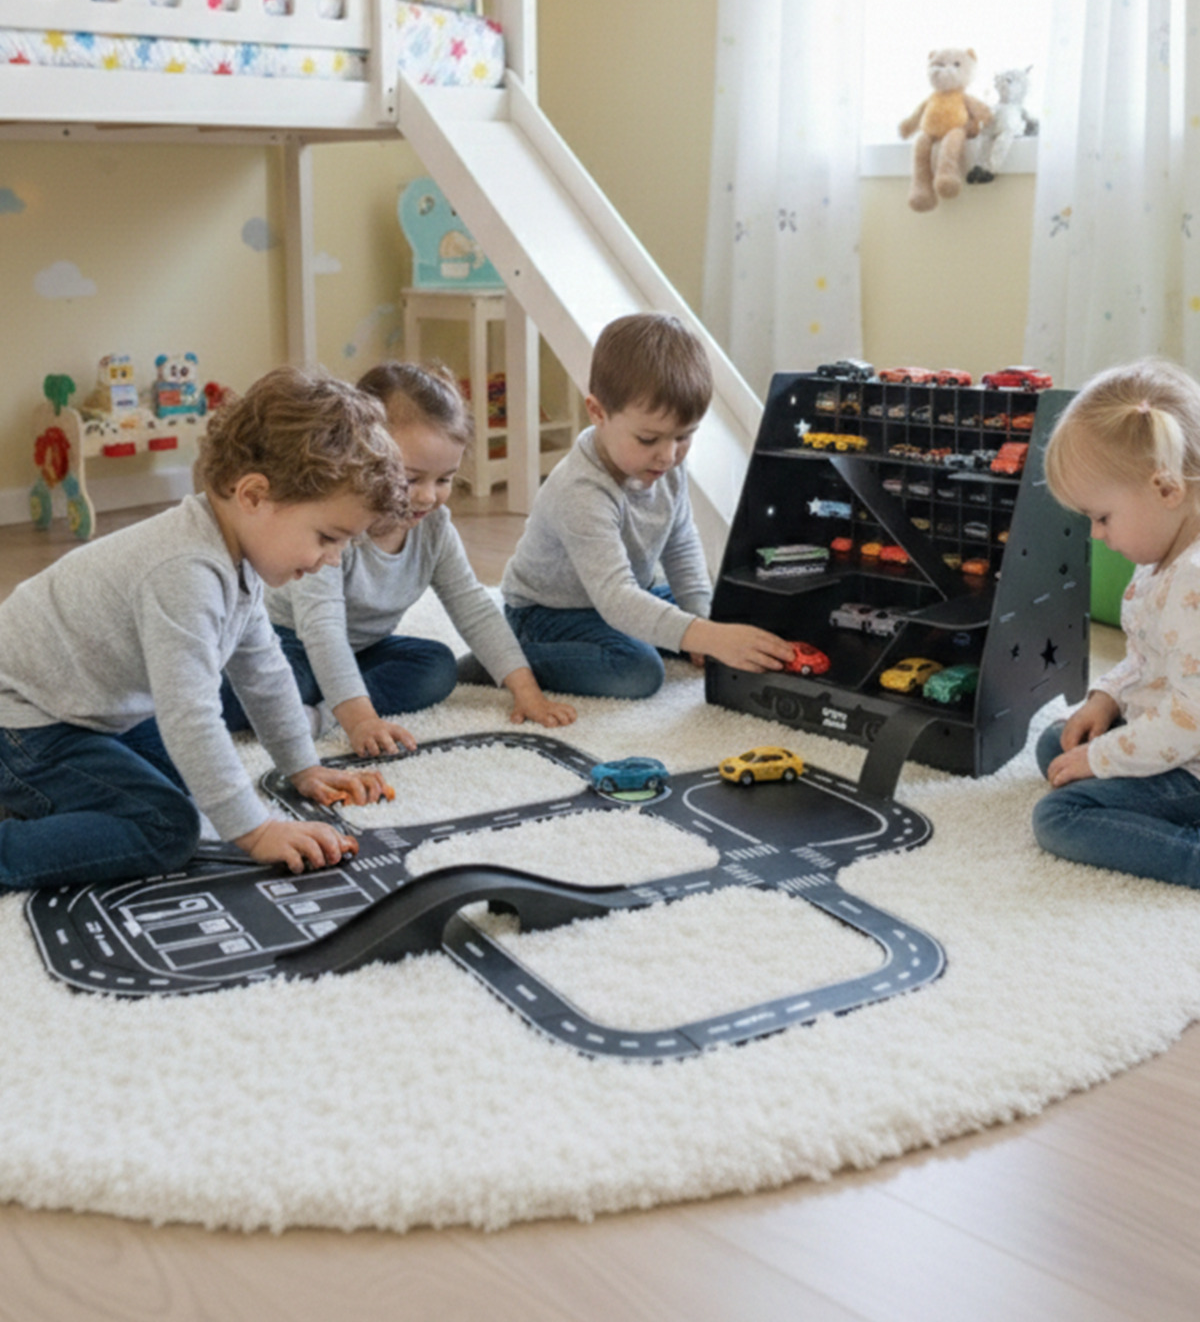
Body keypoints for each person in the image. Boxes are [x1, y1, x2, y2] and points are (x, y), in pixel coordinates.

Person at [0, 366, 408, 893]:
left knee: (193, 778)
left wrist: (303, 767)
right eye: (328, 538)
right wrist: (256, 831)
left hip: (84, 710)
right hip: (23, 720)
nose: (333, 559)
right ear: (253, 495)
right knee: (167, 826)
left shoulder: (234, 554)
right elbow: (189, 715)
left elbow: (264, 672)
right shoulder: (186, 571)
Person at [242, 361, 576, 756]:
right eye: (411, 478)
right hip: (290, 642)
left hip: (363, 650)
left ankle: (323, 714)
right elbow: (322, 629)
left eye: (445, 479)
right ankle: (332, 702)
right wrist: (361, 722)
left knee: (435, 665)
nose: (428, 496)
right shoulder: (336, 526)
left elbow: (474, 607)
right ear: (360, 458)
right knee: (270, 684)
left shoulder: (434, 529)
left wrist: (527, 691)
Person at [500, 311, 794, 699]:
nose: (668, 455)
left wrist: (702, 621)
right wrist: (706, 637)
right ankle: (504, 659)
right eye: (648, 439)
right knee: (637, 671)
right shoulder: (580, 491)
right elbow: (617, 598)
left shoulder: (665, 464)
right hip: (548, 613)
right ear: (598, 413)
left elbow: (680, 543)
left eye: (684, 436)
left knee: (731, 613)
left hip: (622, 596)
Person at [1032, 357, 1200, 888]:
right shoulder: (1160, 556)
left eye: (1102, 517)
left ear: (1166, 490)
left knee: (1060, 816)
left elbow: (1190, 720)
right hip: (1175, 730)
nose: (1096, 535)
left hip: (1192, 754)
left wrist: (1103, 759)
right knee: (1056, 745)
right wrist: (1106, 698)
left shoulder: (1194, 581)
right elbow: (1146, 660)